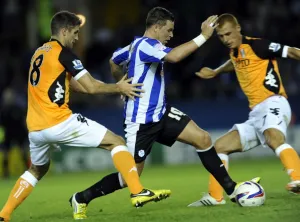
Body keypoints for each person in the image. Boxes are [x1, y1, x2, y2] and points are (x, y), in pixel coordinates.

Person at [70, 7, 258, 217]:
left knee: (203, 139)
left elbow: (113, 60)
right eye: (168, 30)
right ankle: (81, 198)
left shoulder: (134, 46)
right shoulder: (147, 45)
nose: (171, 35)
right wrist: (204, 36)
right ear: (157, 27)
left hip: (161, 113)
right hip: (140, 122)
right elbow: (175, 57)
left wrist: (120, 80)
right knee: (129, 177)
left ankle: (231, 190)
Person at [0, 11, 171, 222]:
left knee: (37, 169)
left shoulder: (39, 53)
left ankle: (4, 214)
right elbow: (90, 86)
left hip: (35, 128)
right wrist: (118, 87)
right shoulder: (65, 54)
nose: (77, 38)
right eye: (75, 32)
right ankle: (137, 191)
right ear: (63, 31)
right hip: (59, 121)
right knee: (116, 142)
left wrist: (106, 89)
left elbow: (72, 85)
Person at [188, 13, 300, 207]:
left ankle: (298, 177)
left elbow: (292, 51)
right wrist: (216, 72)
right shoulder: (235, 52)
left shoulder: (258, 46)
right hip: (256, 112)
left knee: (274, 138)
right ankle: (215, 196)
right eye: (221, 36)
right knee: (219, 148)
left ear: (238, 28)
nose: (225, 39)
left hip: (274, 102)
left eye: (228, 34)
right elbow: (235, 63)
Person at [0, 88, 29, 178]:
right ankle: (6, 172)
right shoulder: (4, 110)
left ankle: (27, 171)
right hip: (10, 134)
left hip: (18, 133)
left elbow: (23, 122)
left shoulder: (16, 109)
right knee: (7, 153)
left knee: (22, 152)